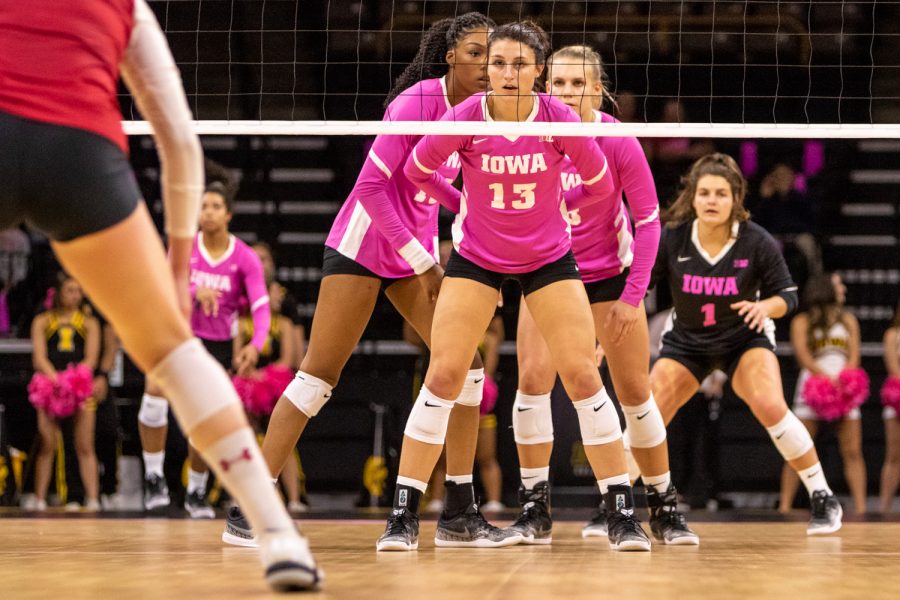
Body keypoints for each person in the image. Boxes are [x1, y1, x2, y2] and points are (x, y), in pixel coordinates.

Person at [0, 0, 319, 589]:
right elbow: (179, 140)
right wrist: (177, 264)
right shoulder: (124, 5)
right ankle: (278, 536)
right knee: (173, 354)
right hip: (77, 157)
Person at [222, 12, 507, 548]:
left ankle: (459, 512)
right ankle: (248, 509)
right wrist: (424, 261)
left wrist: (468, 204)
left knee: (465, 366)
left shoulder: (479, 114)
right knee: (316, 378)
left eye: (491, 56)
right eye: (474, 52)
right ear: (449, 56)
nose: (485, 64)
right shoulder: (415, 104)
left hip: (412, 247)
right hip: (364, 243)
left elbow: (430, 183)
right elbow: (374, 190)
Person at [385, 20, 651, 553]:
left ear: (538, 70)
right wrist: (461, 203)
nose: (507, 73)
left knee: (579, 375)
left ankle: (622, 512)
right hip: (477, 258)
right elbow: (416, 171)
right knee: (442, 374)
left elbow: (598, 183)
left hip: (548, 258)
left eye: (519, 64)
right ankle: (402, 515)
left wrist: (558, 206)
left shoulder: (557, 119)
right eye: (498, 63)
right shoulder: (464, 116)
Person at [508, 45, 697, 546]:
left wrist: (633, 297)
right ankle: (534, 505)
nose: (567, 92)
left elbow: (651, 223)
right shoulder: (531, 134)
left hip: (610, 277)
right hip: (547, 272)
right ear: (546, 87)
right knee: (531, 380)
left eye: (578, 84)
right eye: (559, 83)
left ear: (599, 89)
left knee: (635, 391)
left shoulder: (618, 141)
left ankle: (662, 503)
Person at [645, 153, 842, 536]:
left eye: (721, 193)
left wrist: (763, 306)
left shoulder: (756, 240)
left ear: (736, 197)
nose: (712, 201)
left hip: (743, 340)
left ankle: (823, 497)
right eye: (704, 193)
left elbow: (788, 295)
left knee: (770, 404)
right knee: (648, 413)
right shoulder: (673, 238)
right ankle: (615, 503)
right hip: (688, 342)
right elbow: (641, 286)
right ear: (693, 196)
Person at [139, 161, 270, 519]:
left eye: (214, 206)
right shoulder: (183, 246)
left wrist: (255, 346)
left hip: (215, 346)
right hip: (179, 334)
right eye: (203, 206)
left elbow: (261, 308)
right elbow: (168, 283)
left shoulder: (244, 257)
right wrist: (196, 290)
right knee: (153, 397)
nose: (207, 212)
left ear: (227, 214)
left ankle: (196, 491)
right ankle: (154, 478)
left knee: (203, 425)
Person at [779, 273, 866, 515]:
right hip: (813, 387)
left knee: (852, 450)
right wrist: (825, 378)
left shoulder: (848, 320)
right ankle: (784, 508)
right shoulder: (802, 321)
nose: (843, 289)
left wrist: (844, 379)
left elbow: (855, 355)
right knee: (797, 448)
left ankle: (861, 509)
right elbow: (803, 357)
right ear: (825, 288)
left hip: (845, 388)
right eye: (838, 285)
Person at [30, 274, 101, 510]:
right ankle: (40, 498)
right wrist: (55, 379)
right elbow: (39, 357)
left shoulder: (89, 322)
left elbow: (91, 358)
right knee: (47, 442)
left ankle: (92, 498)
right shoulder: (43, 321)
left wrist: (73, 380)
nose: (74, 295)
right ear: (59, 292)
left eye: (78, 291)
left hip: (78, 387)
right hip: (49, 386)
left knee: (84, 444)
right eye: (70, 290)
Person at [880, 300, 900, 513]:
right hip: (898, 397)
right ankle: (884, 509)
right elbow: (894, 367)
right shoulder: (893, 334)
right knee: (894, 456)